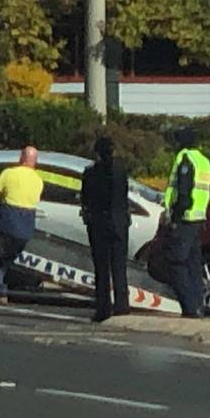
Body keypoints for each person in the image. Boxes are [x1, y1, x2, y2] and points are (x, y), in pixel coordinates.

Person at [163, 126, 210, 318]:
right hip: (199, 219)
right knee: (193, 264)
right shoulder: (204, 161)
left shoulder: (185, 159)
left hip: (185, 219)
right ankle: (198, 305)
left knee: (176, 261)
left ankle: (189, 306)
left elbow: (184, 194)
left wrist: (175, 218)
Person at [81, 136, 132, 322]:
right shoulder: (120, 172)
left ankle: (103, 307)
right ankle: (122, 304)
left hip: (99, 223)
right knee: (119, 265)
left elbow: (85, 199)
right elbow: (124, 196)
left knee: (102, 268)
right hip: (119, 222)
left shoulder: (90, 173)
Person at [0, 146, 43, 304]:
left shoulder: (9, 173)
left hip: (9, 219)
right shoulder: (38, 181)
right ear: (34, 162)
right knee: (8, 258)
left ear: (21, 158)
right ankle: (0, 289)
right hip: (26, 225)